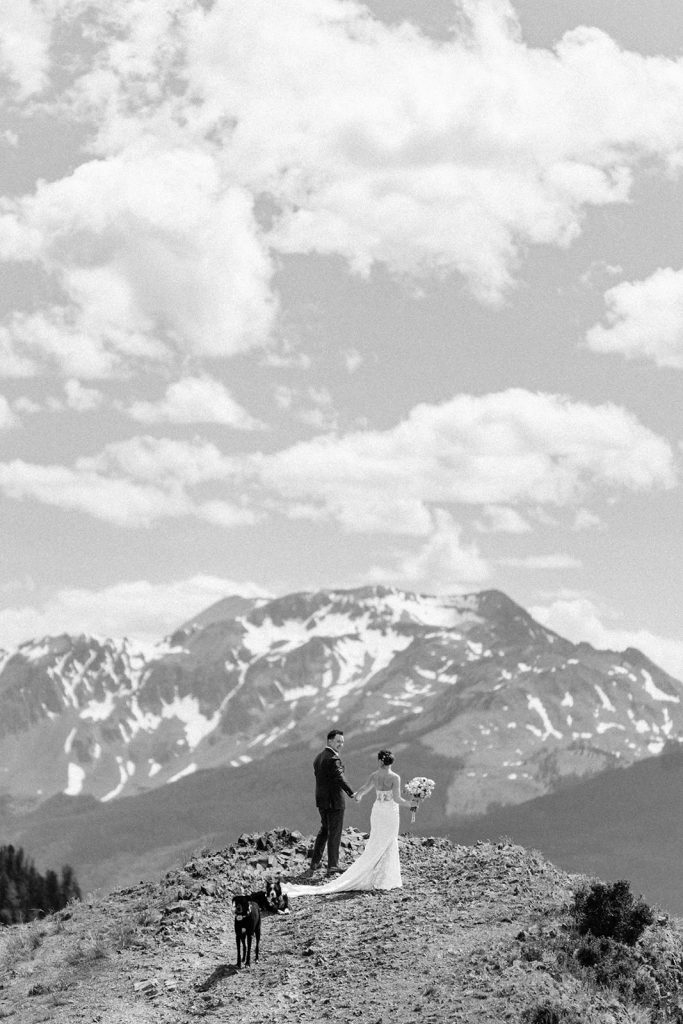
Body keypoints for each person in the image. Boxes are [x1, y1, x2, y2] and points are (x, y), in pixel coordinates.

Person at [284, 748, 415, 897]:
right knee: (389, 841)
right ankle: (386, 878)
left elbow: (364, 789)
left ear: (380, 761)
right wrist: (411, 804)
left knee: (376, 840)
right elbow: (397, 799)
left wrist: (357, 795)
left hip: (378, 811)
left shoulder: (375, 775)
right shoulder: (395, 777)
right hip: (390, 813)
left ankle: (373, 873)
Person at [309, 729, 356, 877]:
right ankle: (333, 866)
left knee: (324, 830)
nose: (341, 744)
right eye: (338, 741)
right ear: (329, 741)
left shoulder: (318, 757)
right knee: (334, 833)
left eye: (342, 742)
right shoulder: (333, 759)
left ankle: (315, 863)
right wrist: (352, 793)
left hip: (321, 800)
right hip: (334, 801)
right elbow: (340, 777)